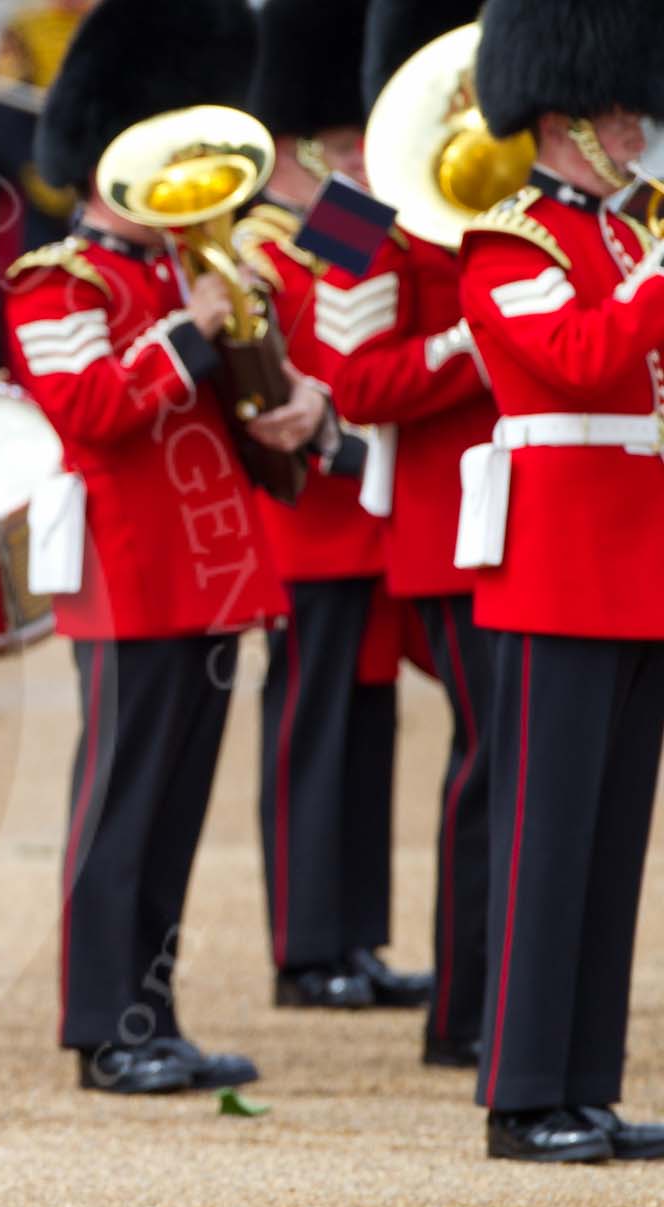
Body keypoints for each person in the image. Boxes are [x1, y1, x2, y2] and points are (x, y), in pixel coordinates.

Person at [13, 0, 288, 1095]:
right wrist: (194, 332)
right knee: (120, 807)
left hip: (209, 574)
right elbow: (89, 405)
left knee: (172, 811)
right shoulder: (57, 282)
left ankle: (151, 1012)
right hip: (128, 578)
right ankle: (103, 1025)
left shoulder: (182, 271)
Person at [456, 0, 664, 1164]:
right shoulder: (505, 243)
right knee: (542, 839)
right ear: (561, 115)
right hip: (554, 571)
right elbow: (580, 360)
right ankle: (520, 1091)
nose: (635, 126)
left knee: (607, 839)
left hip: (636, 568)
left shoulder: (630, 242)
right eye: (618, 108)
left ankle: (584, 1083)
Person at [317, 0, 499, 1067]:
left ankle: (490, 992)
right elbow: (352, 378)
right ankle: (466, 1007)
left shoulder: (512, 201)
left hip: (530, 519)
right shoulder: (357, 209)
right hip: (441, 524)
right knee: (487, 765)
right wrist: (475, 343)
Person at [242, 0, 431, 1014]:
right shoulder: (257, 245)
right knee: (308, 730)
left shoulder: (343, 226)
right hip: (304, 519)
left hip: (366, 514)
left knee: (363, 727)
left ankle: (350, 933)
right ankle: (302, 942)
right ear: (308, 141)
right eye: (350, 136)